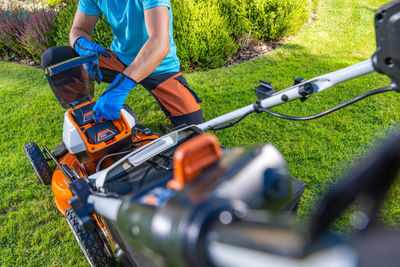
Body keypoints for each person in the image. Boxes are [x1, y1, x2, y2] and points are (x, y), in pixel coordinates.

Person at [41, 0, 205, 128]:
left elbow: (159, 44)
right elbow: (78, 30)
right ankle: (85, 117)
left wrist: (120, 87)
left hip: (159, 65)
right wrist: (83, 47)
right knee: (56, 59)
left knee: (196, 134)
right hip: (120, 60)